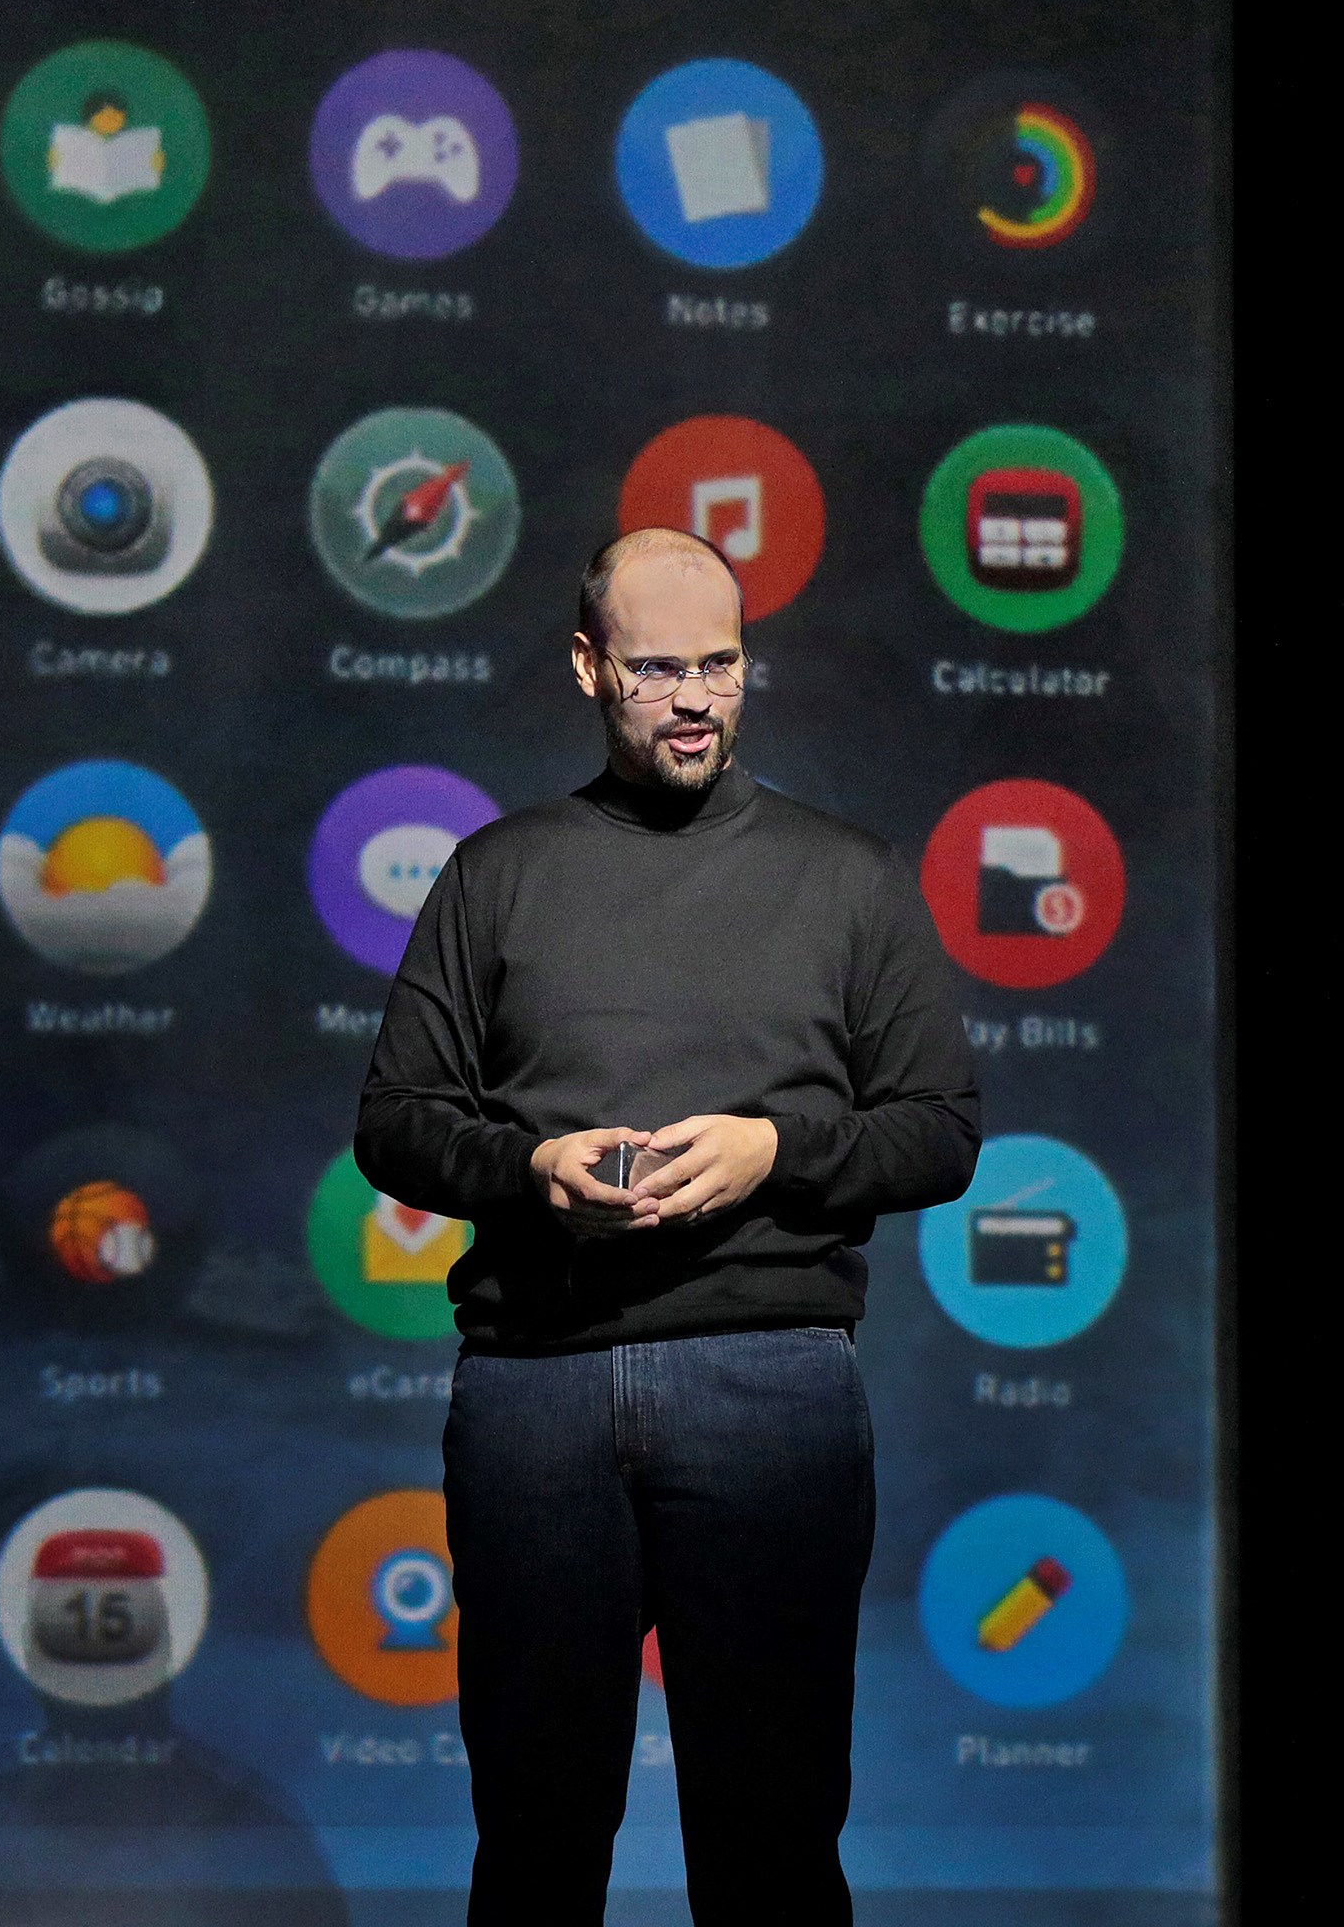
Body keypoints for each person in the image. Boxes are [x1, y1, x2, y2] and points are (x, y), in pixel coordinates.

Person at [355, 527, 980, 1927]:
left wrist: (776, 1151)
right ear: (589, 667)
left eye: (720, 663)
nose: (694, 697)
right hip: (536, 1386)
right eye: (656, 669)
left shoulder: (848, 876)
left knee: (772, 1844)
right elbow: (395, 1120)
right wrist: (530, 1169)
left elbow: (939, 1131)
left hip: (771, 1384)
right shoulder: (497, 873)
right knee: (535, 1840)